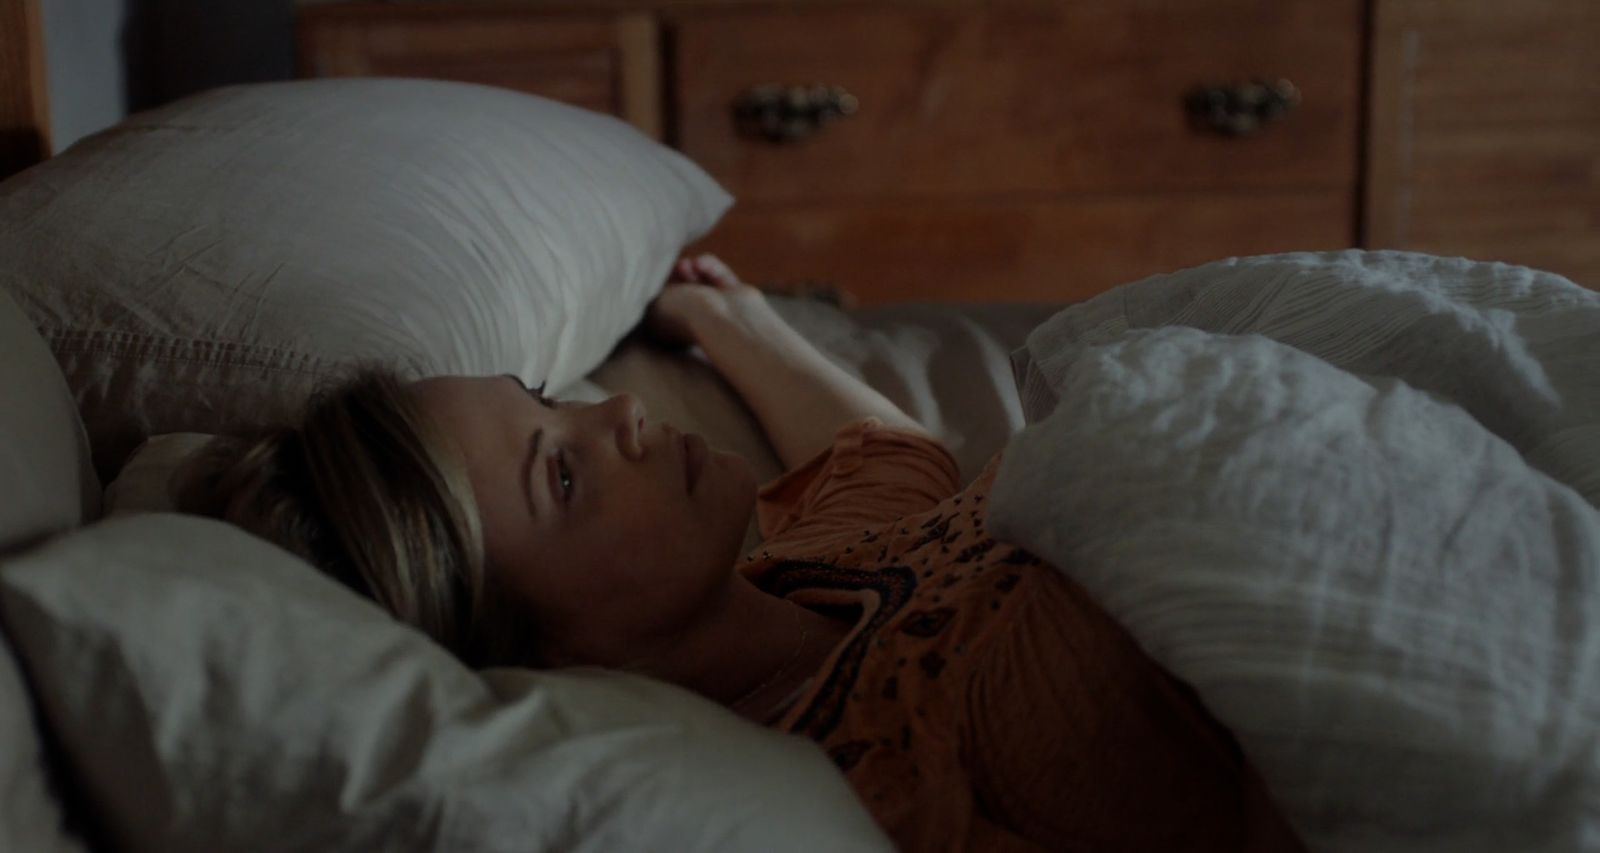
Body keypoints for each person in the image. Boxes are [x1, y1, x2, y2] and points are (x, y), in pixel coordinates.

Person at [182, 255, 1303, 851]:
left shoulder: (804, 565)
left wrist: (733, 322)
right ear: (537, 657)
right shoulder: (857, 782)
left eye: (547, 403)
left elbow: (891, 458)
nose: (615, 409)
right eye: (563, 475)